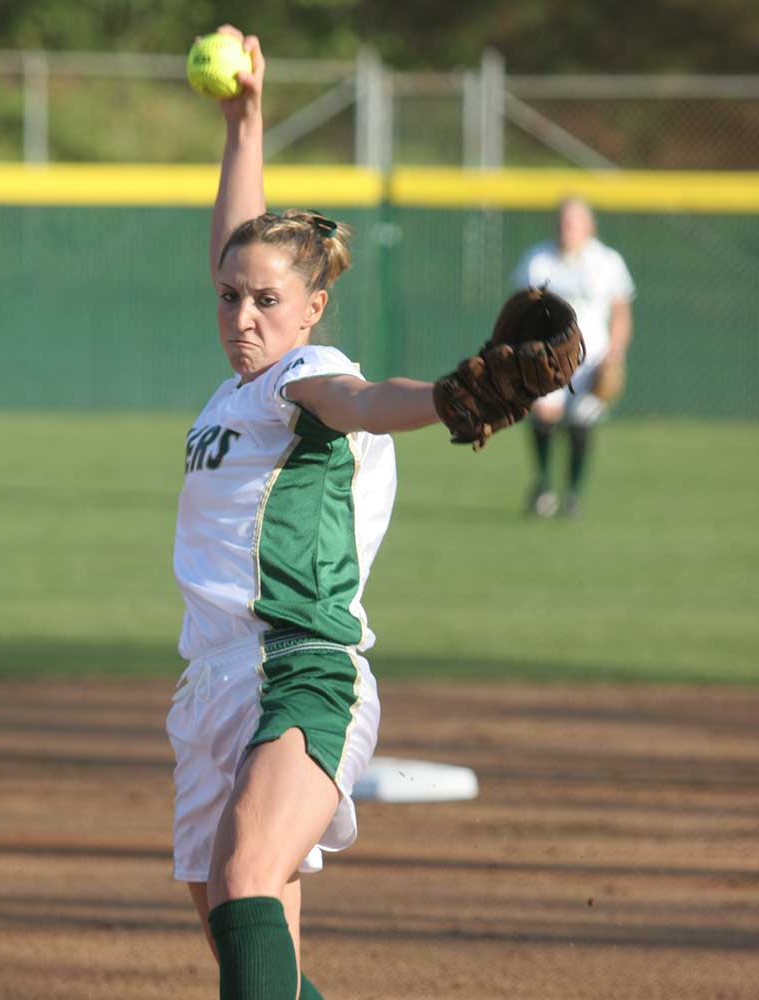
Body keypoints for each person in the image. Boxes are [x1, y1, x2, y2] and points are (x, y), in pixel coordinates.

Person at [165, 26, 579, 1000]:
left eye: (266, 301)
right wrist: (246, 123)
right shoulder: (236, 384)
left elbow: (363, 402)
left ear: (312, 309)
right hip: (214, 683)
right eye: (228, 299)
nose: (241, 317)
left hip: (303, 668)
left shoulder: (307, 372)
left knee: (245, 879)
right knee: (245, 931)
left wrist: (455, 396)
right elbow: (242, 241)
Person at [511, 198, 636, 517]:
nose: (566, 228)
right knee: (542, 419)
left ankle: (573, 494)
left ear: (589, 227)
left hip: (592, 358)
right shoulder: (538, 259)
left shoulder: (606, 261)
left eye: (574, 222)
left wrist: (616, 352)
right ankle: (543, 486)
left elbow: (621, 312)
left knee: (581, 423)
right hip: (548, 357)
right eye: (562, 222)